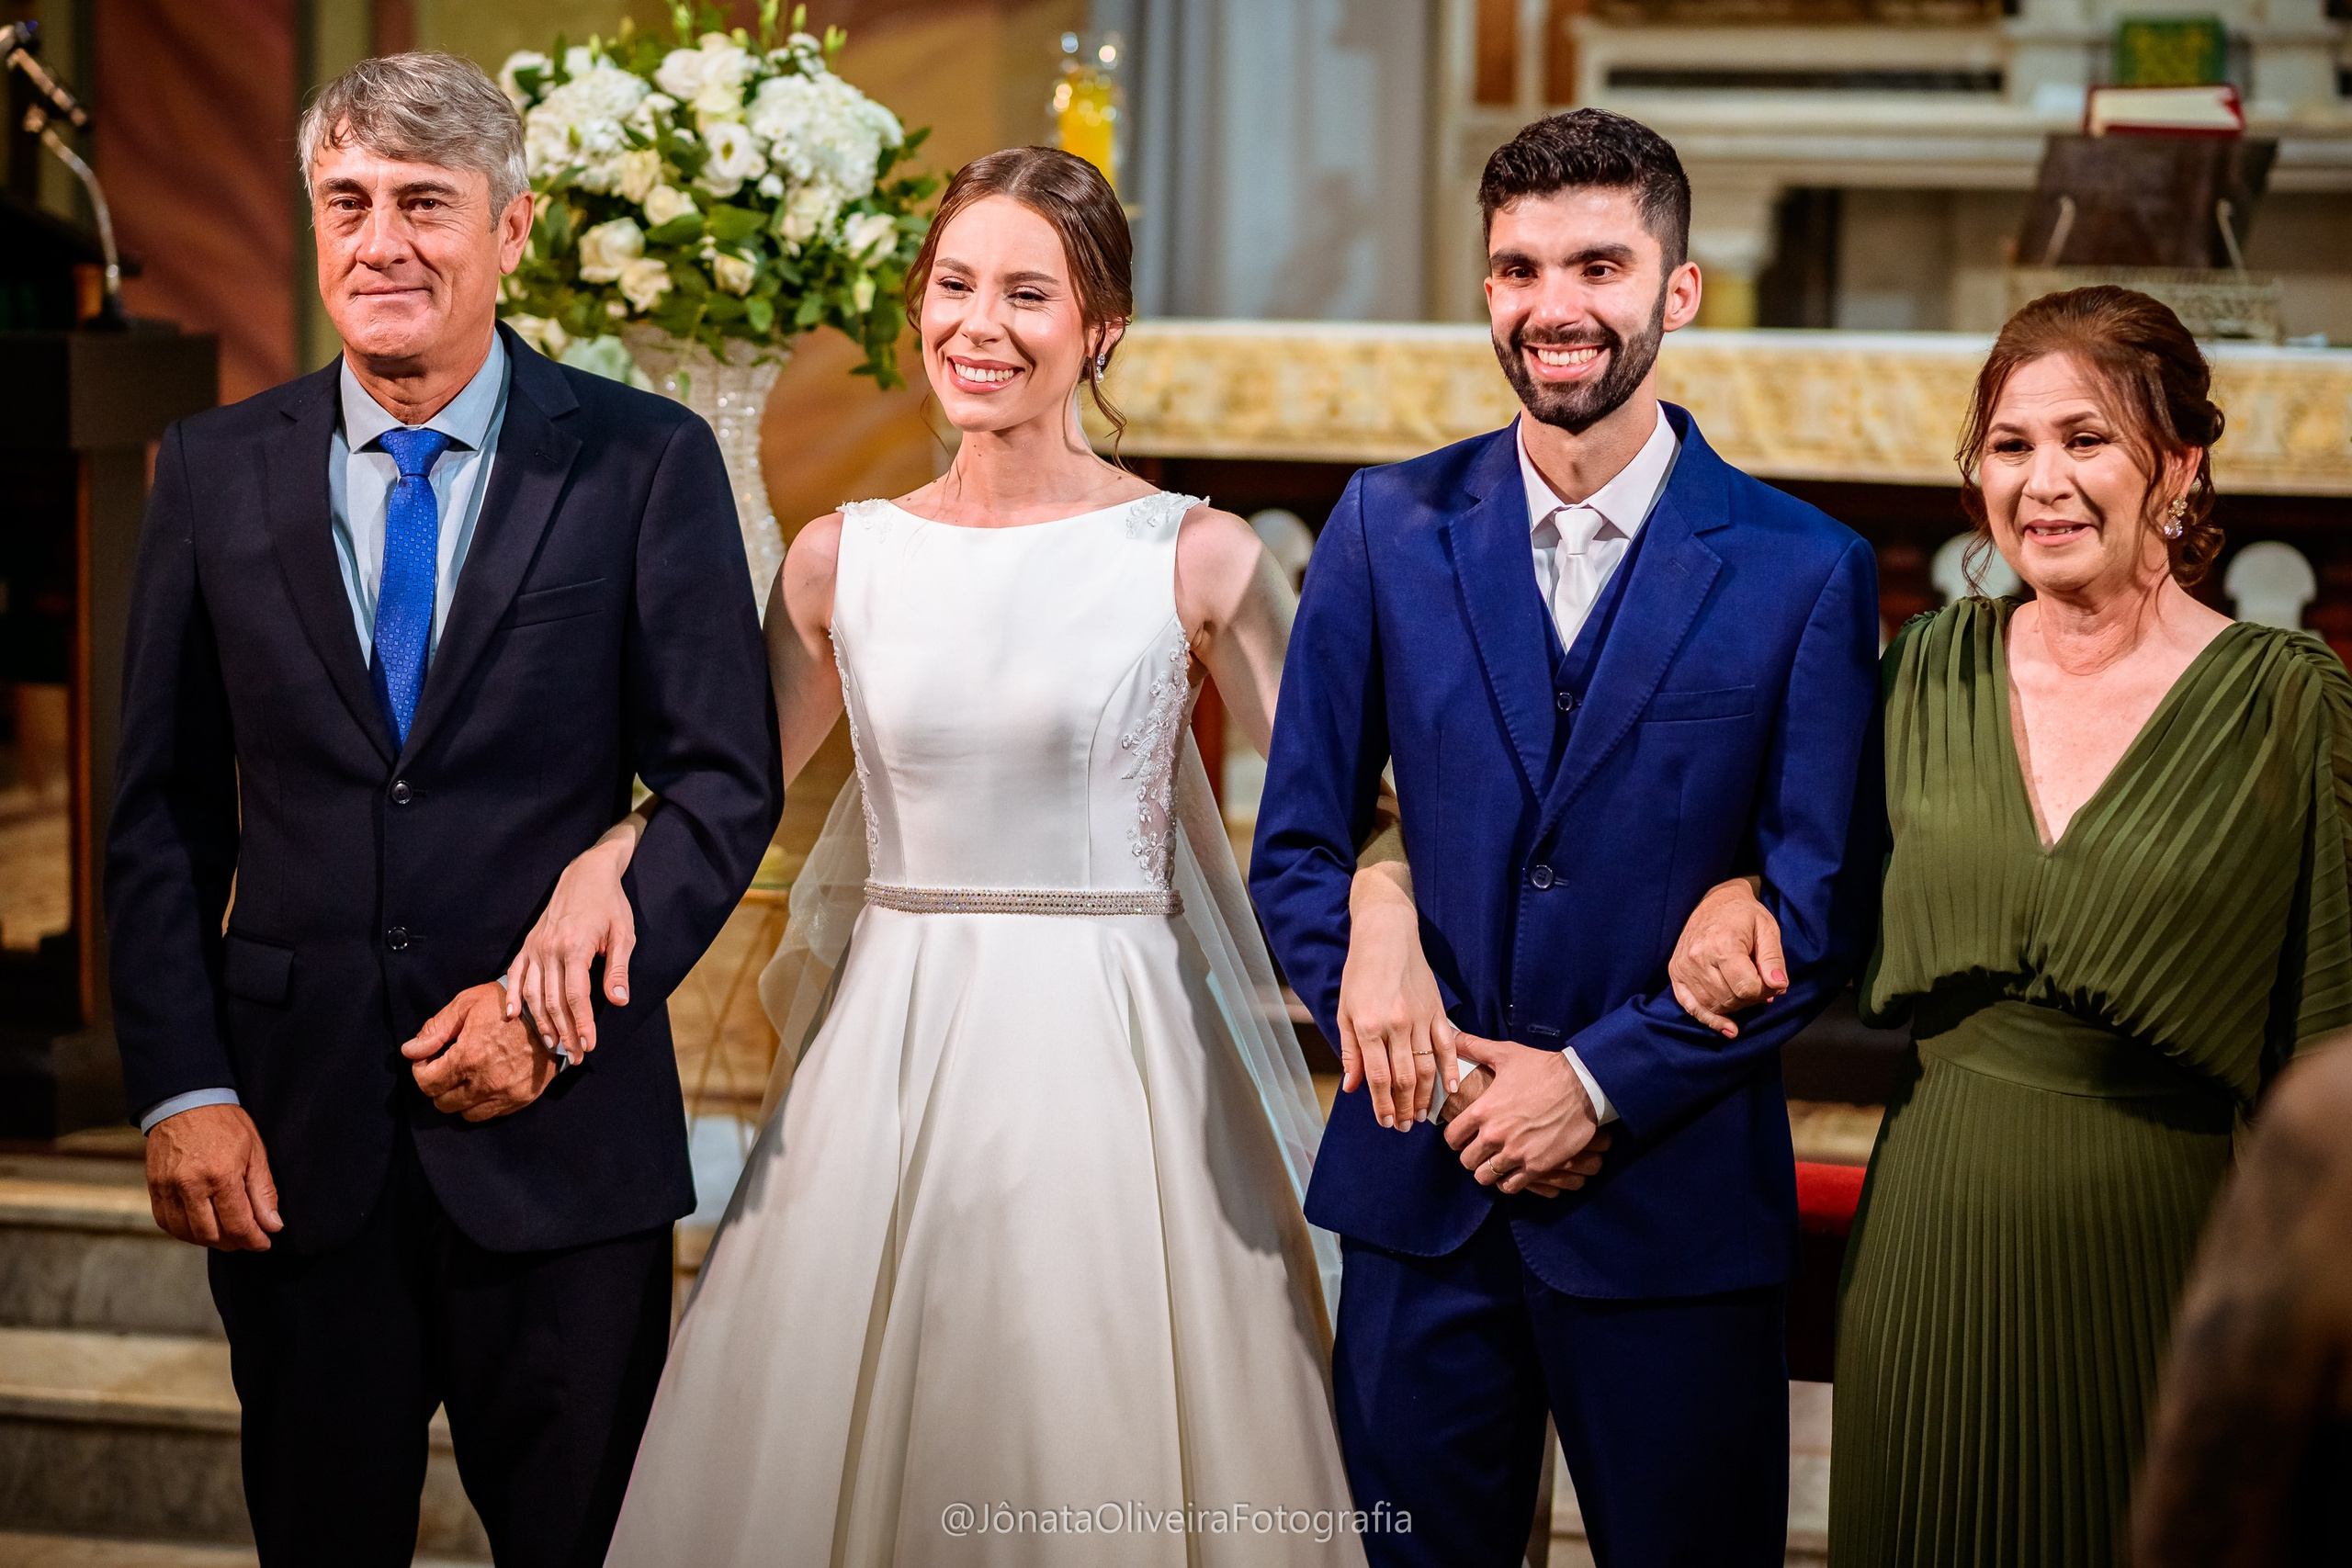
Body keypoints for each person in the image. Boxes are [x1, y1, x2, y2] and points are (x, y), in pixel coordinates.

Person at [514, 146, 1376, 1567]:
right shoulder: (839, 561)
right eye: (956, 285)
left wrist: (1392, 924)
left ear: (1101, 327)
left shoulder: (1200, 559)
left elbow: (1348, 805)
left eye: (1028, 293)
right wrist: (607, 854)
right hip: (892, 1044)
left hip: (1119, 1053)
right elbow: (723, 793)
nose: (981, 325)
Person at [103, 53, 780, 1568]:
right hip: (292, 1140)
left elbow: (723, 782)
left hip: (564, 1146)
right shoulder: (212, 469)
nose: (381, 242)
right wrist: (182, 1087)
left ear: (512, 228)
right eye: (346, 202)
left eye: (425, 202)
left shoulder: (640, 460)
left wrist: (554, 1020)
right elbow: (160, 815)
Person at [1248, 108, 1885, 1568]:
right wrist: (1412, 1020)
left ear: (1679, 289)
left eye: (1599, 265)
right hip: (1424, 1181)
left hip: (1668, 1204)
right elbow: (1297, 848)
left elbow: (1814, 905)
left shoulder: (1804, 570)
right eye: (1518, 269)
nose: (1554, 307)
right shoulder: (1384, 528)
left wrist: (1593, 1088)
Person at [1670, 286, 2352, 1566]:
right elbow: (1811, 877)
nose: (2044, 482)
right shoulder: (1925, 670)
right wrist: (1735, 890)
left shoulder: (2288, 706)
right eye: (2011, 444)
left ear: (2178, 468)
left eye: (2087, 439)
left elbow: (2333, 1052)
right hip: (1931, 1251)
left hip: (2166, 1265)